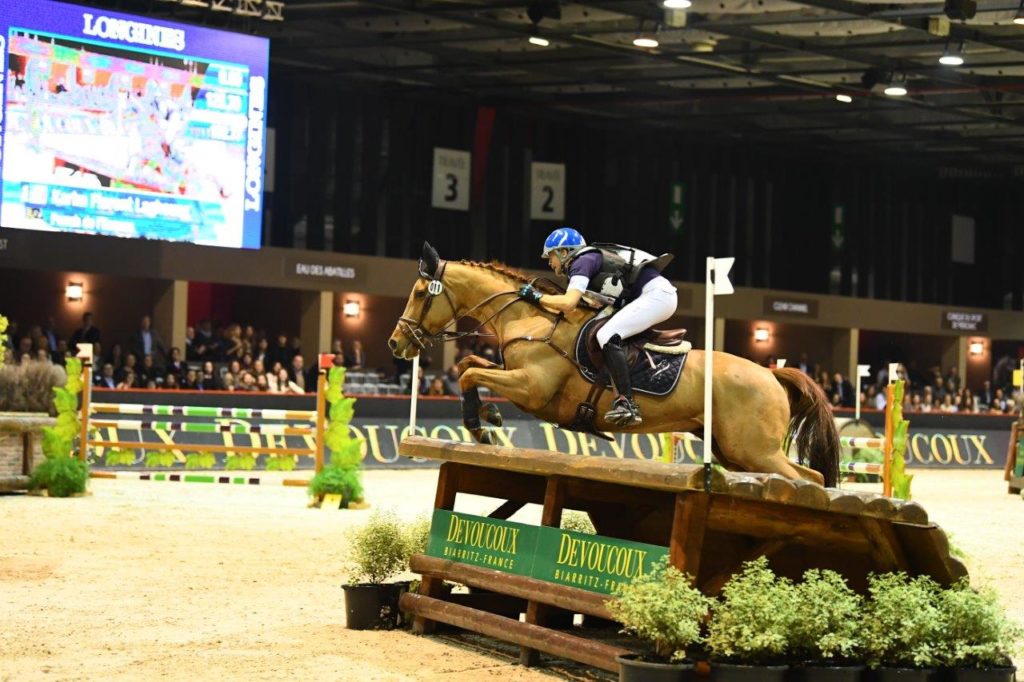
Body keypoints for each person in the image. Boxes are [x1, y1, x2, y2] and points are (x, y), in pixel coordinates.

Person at [517, 227, 675, 426]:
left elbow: (568, 303)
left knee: (606, 334)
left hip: (656, 296)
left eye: (551, 256)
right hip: (648, 296)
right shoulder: (587, 261)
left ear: (564, 252)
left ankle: (626, 403)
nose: (549, 262)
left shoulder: (581, 262)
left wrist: (536, 297)